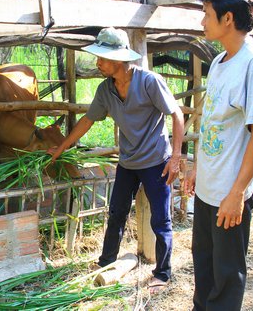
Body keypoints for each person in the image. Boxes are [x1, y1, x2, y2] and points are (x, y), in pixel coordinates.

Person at [48, 27, 184, 293]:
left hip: (156, 160)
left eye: (102, 58)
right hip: (128, 162)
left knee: (160, 219)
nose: (97, 63)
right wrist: (61, 147)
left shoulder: (148, 82)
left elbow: (177, 114)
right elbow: (87, 121)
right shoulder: (105, 90)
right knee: (116, 212)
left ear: (119, 59)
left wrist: (176, 157)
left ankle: (163, 273)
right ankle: (106, 261)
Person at [184, 0, 253, 311]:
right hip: (210, 187)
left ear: (227, 18)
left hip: (229, 191)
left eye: (207, 13)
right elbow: (213, 122)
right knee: (204, 267)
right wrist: (197, 166)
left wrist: (238, 193)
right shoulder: (220, 62)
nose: (202, 21)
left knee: (226, 276)